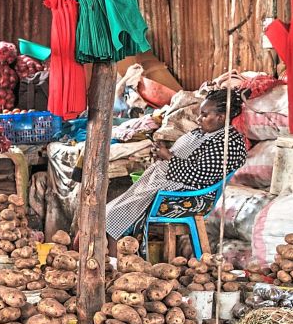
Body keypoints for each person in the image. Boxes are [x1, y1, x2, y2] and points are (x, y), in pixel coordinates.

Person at [105, 88, 248, 251]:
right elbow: (187, 158)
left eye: (204, 115)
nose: (199, 119)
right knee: (110, 209)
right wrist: (163, 153)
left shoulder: (229, 144)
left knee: (117, 213)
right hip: (170, 184)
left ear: (221, 117)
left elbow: (199, 175)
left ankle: (115, 262)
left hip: (187, 196)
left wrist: (168, 157)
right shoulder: (207, 132)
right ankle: (113, 259)